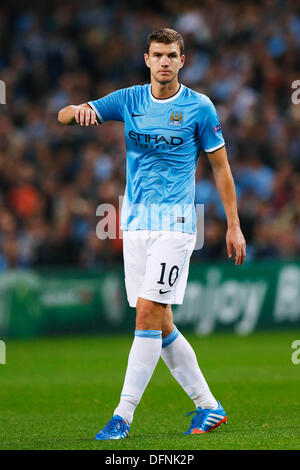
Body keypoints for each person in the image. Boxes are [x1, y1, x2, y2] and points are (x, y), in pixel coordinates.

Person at [58, 28, 246, 439]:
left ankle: (122, 416)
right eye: (157, 54)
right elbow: (64, 114)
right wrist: (78, 112)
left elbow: (221, 168)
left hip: (176, 223)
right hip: (135, 223)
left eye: (171, 55)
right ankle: (209, 407)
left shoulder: (200, 107)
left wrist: (233, 224)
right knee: (159, 322)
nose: (164, 61)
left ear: (183, 60)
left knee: (146, 312)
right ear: (147, 59)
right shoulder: (129, 100)